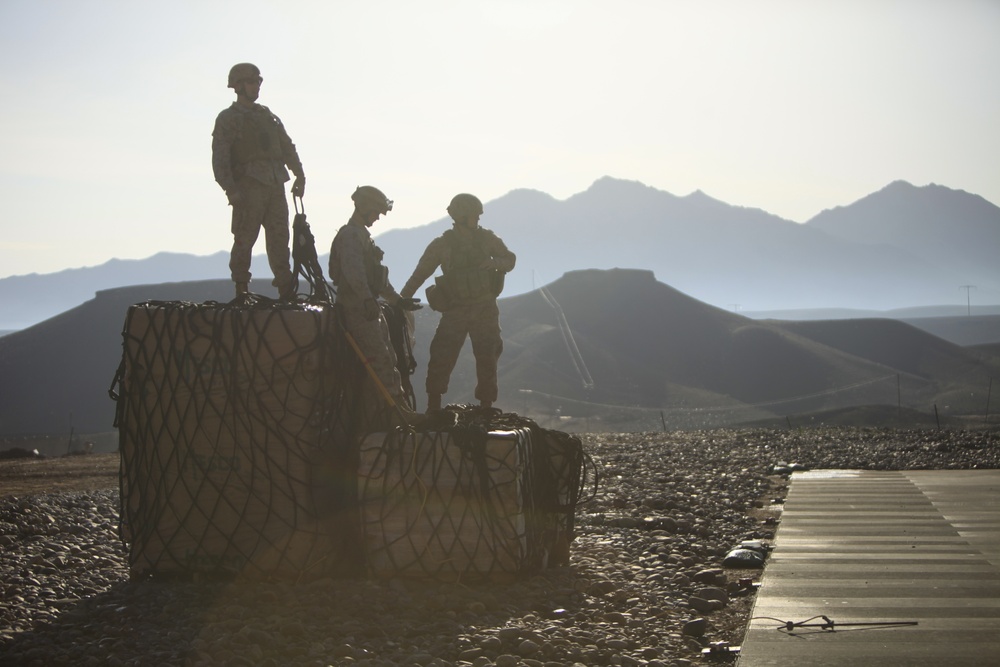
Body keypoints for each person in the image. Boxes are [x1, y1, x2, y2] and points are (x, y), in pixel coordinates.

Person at [399, 193, 515, 412]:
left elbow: (510, 260)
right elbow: (420, 273)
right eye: (474, 216)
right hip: (455, 310)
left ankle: (486, 406)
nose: (478, 220)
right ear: (461, 217)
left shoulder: (488, 239)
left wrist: (494, 263)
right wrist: (402, 299)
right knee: (442, 355)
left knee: (488, 356)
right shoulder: (442, 245)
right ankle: (434, 405)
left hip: (485, 308)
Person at [212, 63, 305, 301]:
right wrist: (230, 189)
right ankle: (241, 288)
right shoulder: (228, 119)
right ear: (239, 86)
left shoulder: (268, 116)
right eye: (252, 82)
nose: (257, 87)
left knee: (279, 239)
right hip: (248, 188)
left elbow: (286, 146)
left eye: (258, 82)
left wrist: (299, 173)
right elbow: (220, 159)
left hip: (275, 185)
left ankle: (286, 289)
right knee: (245, 238)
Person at [329, 186, 422, 422]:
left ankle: (395, 410)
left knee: (389, 358)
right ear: (364, 207)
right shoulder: (350, 235)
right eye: (376, 212)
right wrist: (367, 299)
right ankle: (395, 413)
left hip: (369, 307)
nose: (378, 217)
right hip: (357, 309)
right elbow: (354, 273)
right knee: (379, 359)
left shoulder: (363, 237)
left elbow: (377, 280)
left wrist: (398, 301)